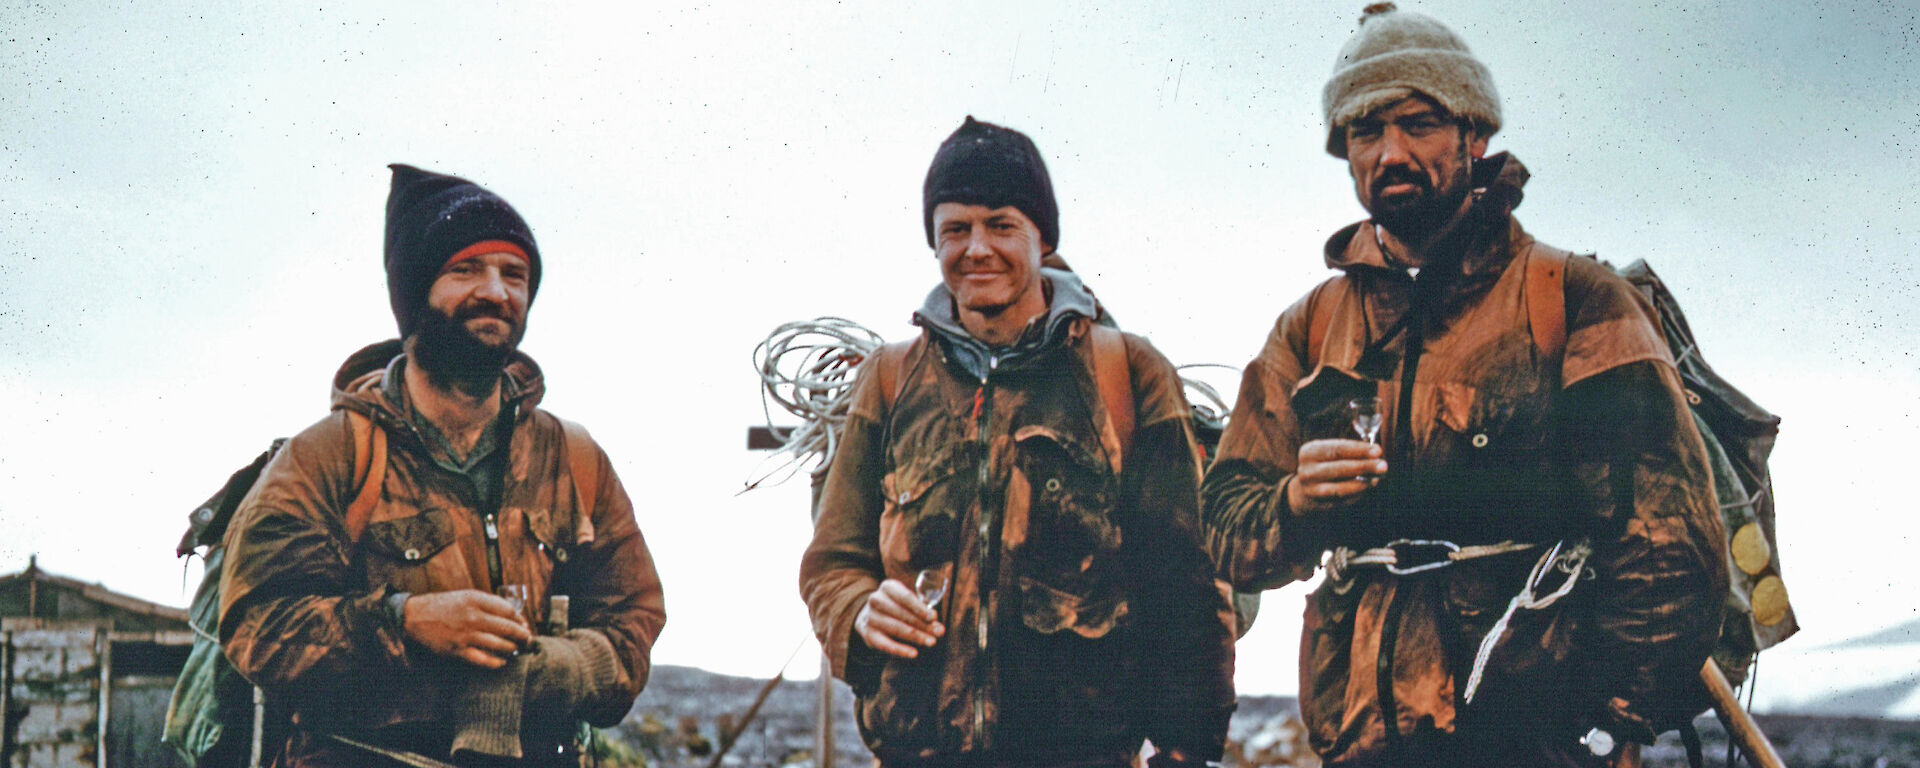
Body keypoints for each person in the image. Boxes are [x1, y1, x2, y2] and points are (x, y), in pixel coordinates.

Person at [1201, 5, 1729, 765]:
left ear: (1474, 135)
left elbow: (1667, 546)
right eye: (1365, 132)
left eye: (1417, 124)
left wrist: (1605, 725)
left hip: (1531, 742)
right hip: (1360, 740)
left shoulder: (1572, 300)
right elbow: (1224, 525)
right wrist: (1295, 504)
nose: (1390, 153)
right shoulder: (1310, 328)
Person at [800, 117, 1236, 768]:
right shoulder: (889, 381)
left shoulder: (1128, 373)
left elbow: (1191, 587)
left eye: (1001, 224)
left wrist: (1185, 750)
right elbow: (830, 563)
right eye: (955, 229)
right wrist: (857, 611)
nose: (977, 248)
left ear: (1042, 237)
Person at [219, 164, 666, 767]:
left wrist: (556, 669)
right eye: (466, 269)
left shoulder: (573, 458)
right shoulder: (330, 456)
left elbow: (633, 620)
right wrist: (405, 624)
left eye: (515, 273)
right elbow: (257, 628)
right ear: (414, 293)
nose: (496, 291)